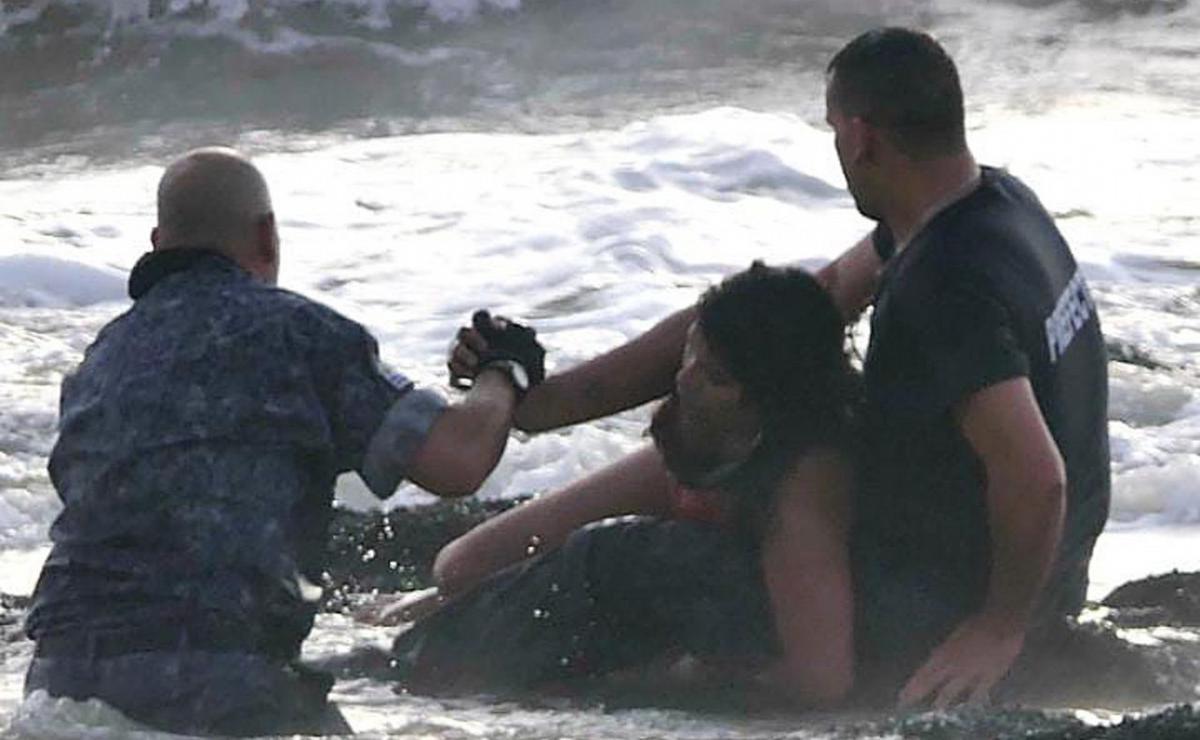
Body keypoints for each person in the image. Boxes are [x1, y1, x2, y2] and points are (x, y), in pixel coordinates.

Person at [448, 28, 1110, 709]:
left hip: (927, 609)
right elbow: (793, 311)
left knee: (611, 560)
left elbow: (1037, 476)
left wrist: (998, 629)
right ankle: (461, 593)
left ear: (859, 137)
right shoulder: (989, 204)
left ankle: (432, 661)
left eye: (832, 131)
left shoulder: (943, 288)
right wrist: (544, 400)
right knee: (710, 433)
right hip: (1041, 575)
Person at [22, 147, 544, 736]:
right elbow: (459, 460)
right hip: (216, 682)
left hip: (55, 680)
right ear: (267, 236)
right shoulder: (299, 333)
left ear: (157, 242)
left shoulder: (98, 364)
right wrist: (504, 371)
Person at [393, 263, 858, 706]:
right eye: (689, 353)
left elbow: (821, 680)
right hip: (704, 498)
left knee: (601, 559)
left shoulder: (804, 484)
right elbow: (541, 410)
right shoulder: (698, 426)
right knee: (459, 569)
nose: (684, 380)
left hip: (741, 605)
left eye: (714, 377)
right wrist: (500, 367)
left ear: (771, 405)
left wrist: (660, 678)